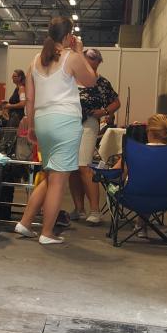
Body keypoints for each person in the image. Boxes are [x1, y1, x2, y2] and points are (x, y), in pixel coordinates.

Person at [14, 16, 98, 245]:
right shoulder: (71, 57)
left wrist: (31, 125)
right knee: (59, 179)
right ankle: (48, 233)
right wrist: (79, 51)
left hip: (42, 120)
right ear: (69, 36)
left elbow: (30, 99)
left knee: (51, 174)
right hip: (65, 121)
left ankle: (25, 222)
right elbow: (91, 81)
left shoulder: (34, 61)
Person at [68, 48, 120, 225]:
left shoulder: (101, 82)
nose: (91, 66)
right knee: (72, 168)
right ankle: (79, 208)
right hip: (68, 123)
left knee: (84, 166)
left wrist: (104, 111)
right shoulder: (70, 78)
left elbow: (116, 102)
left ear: (98, 63)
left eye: (94, 63)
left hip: (88, 124)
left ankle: (95, 210)